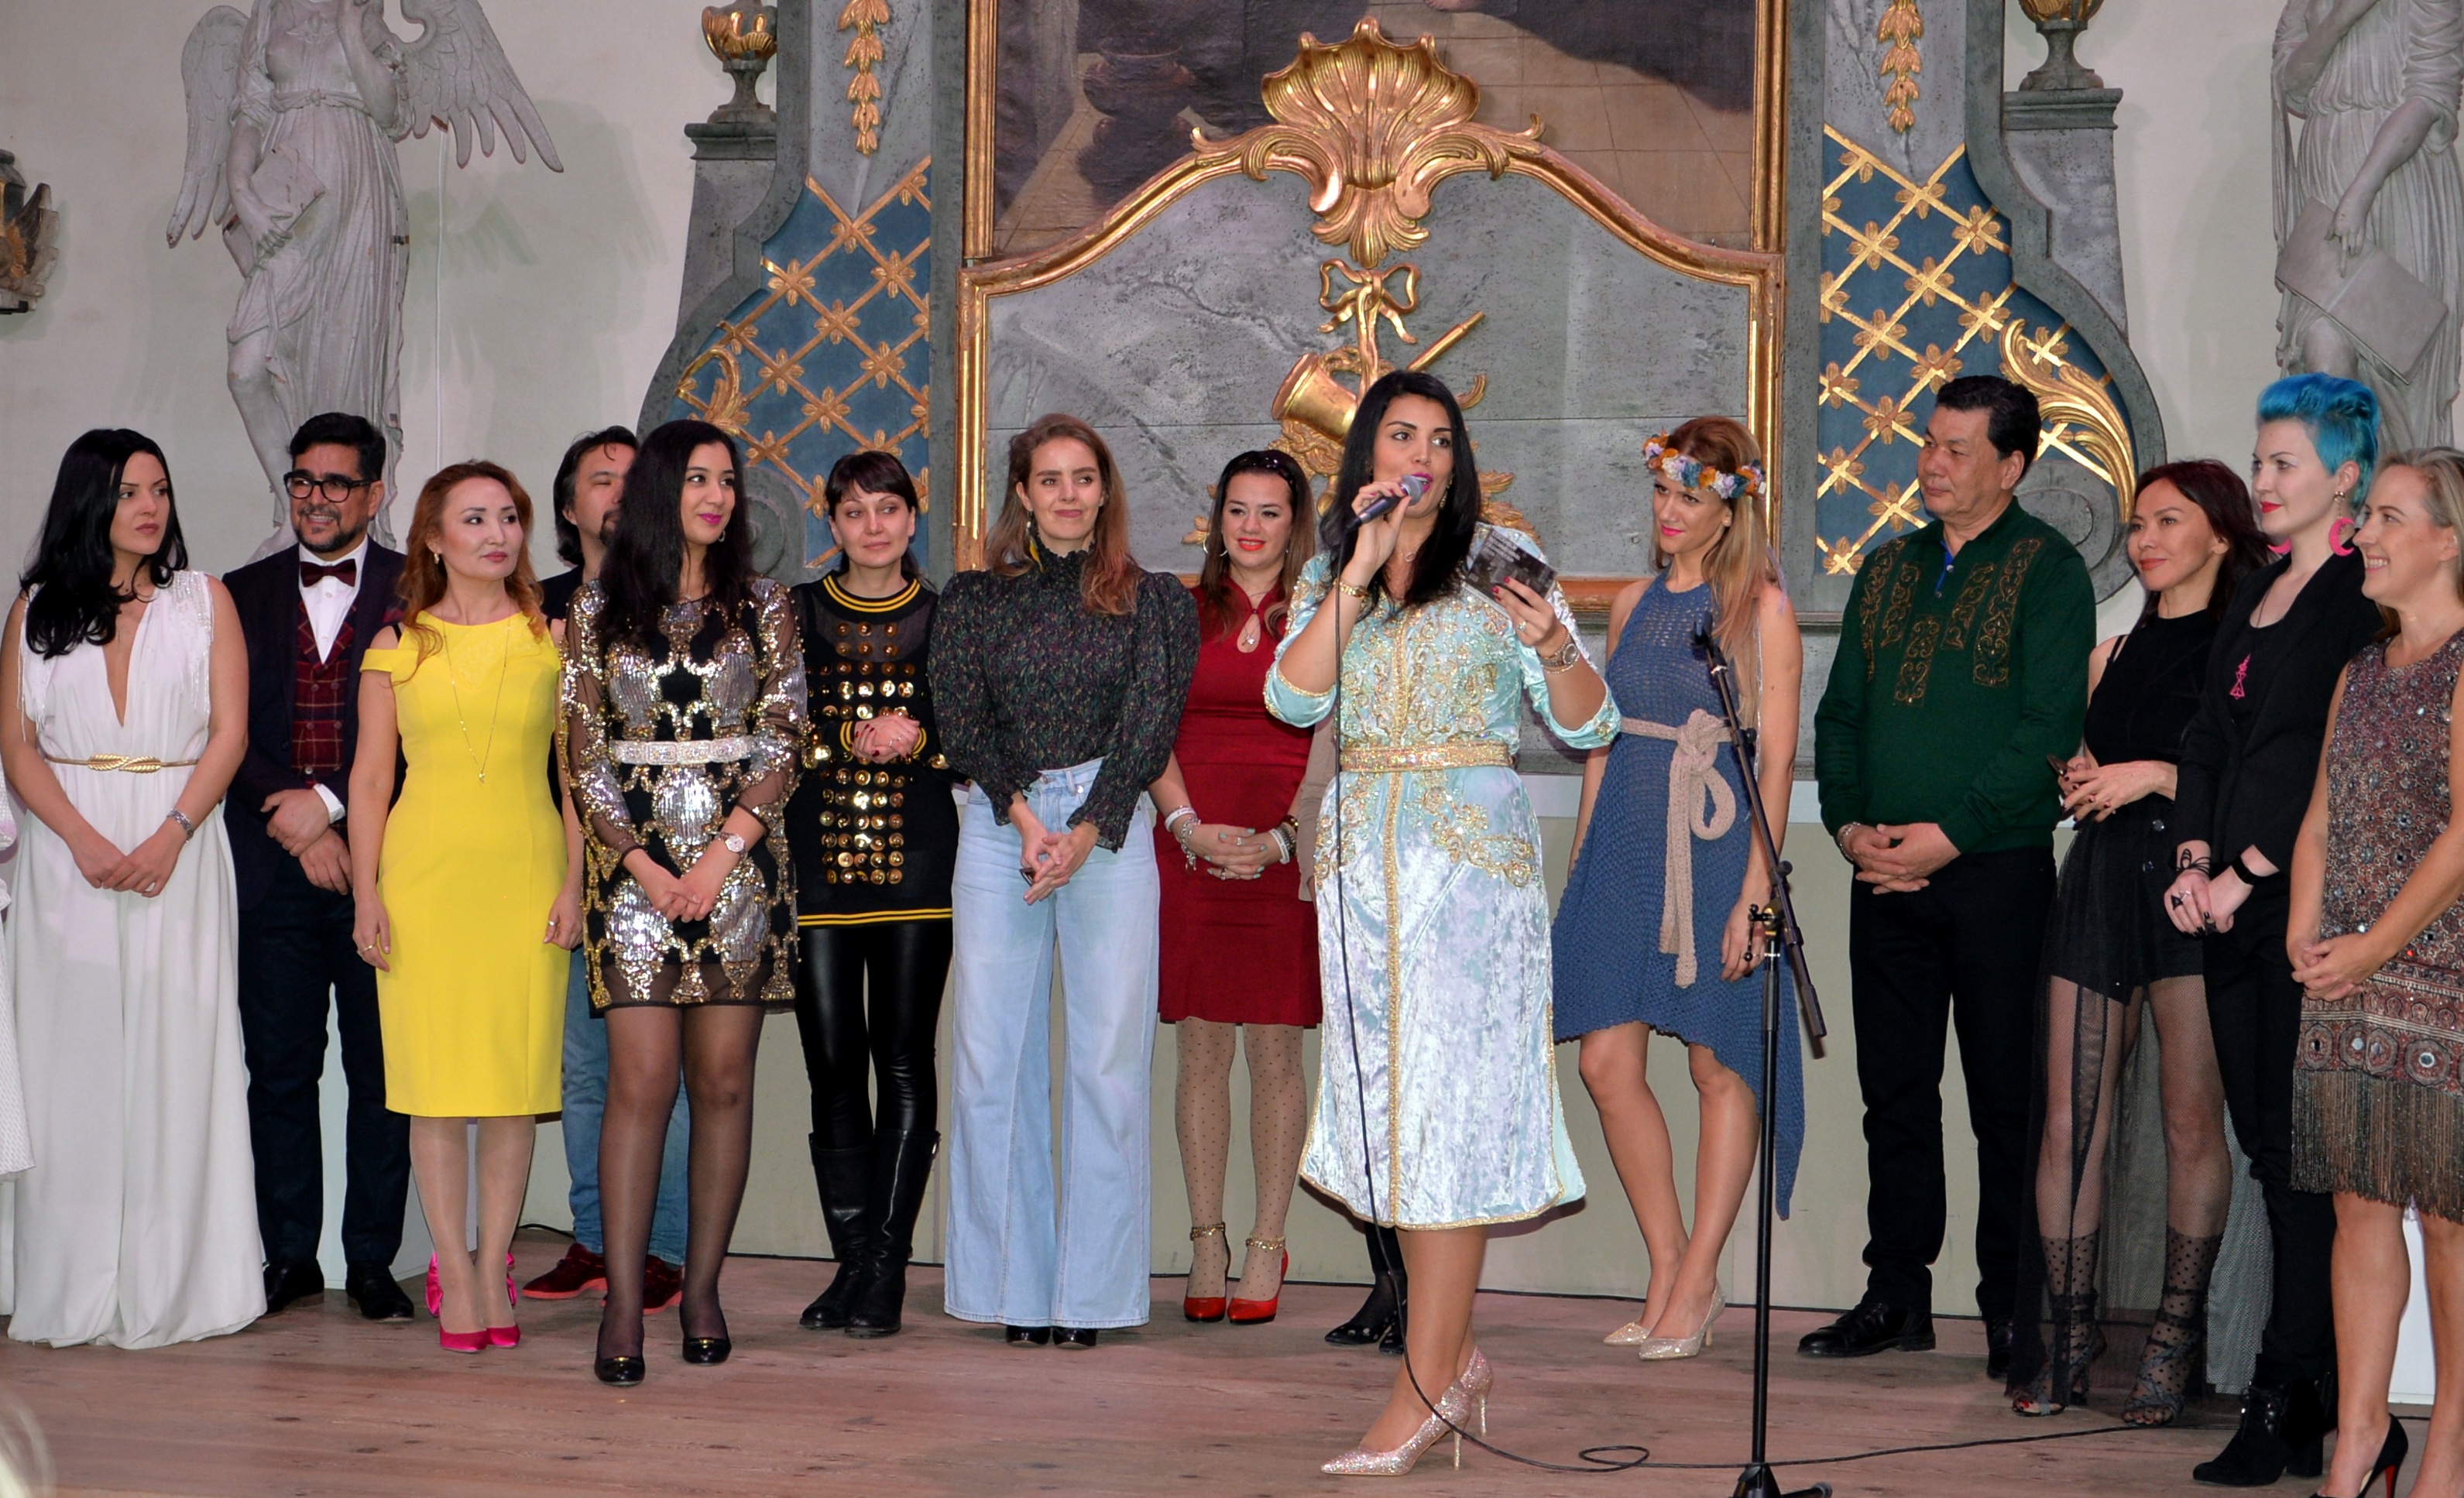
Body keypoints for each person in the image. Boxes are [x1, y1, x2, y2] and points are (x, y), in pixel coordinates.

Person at [1267, 369, 1618, 1474]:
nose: (1420, 455)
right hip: (1363, 873)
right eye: (1399, 435)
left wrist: (1553, 645)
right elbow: (1292, 697)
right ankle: (1452, 1362)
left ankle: (1420, 1386)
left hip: (1469, 879)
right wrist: (1354, 573)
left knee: (1450, 1117)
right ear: (1366, 455)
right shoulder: (1333, 569)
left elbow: (1591, 721)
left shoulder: (1501, 560)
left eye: (1439, 440)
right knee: (1394, 1123)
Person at [1810, 375, 2095, 1376]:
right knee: (1893, 1094)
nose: (1931, 463)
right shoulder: (1886, 566)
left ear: (2010, 466)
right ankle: (1896, 1294)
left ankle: (2010, 1308)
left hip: (1997, 875)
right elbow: (1839, 715)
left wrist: (1950, 835)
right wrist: (1850, 828)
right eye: (1928, 443)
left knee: (2004, 1103)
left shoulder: (2049, 569)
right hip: (1881, 872)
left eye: (1956, 449)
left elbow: (2047, 728)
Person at [2006, 461, 2270, 1421]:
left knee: (2190, 1122)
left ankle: (2172, 1337)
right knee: (2068, 1123)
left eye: (2167, 520)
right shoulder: (2107, 654)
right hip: (2102, 881)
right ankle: (2069, 1332)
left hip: (2192, 890)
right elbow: (2093, 771)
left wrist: (2153, 776)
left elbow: (2257, 786)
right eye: (2137, 523)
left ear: (2219, 534)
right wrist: (2085, 780)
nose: (2145, 539)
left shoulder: (2247, 653)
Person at [932, 413, 1199, 1350]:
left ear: (1104, 488)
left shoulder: (1154, 600)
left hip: (1107, 827)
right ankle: (1011, 1288)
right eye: (1049, 480)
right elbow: (960, 718)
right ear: (1022, 493)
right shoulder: (974, 598)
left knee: (1106, 1065)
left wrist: (1086, 829)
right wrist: (1024, 819)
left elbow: (1149, 725)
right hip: (998, 826)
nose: (1068, 495)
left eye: (1083, 477)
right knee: (990, 1061)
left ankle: (1092, 1299)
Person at [2165, 374, 2387, 1487]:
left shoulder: (2355, 594)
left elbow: (2327, 760)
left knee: (2304, 1164)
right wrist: (2190, 858)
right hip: (2224, 908)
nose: (2260, 479)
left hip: (2298, 912)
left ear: (2343, 476)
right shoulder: (2252, 587)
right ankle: (2309, 1398)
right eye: (2256, 460)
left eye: (2282, 462)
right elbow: (2209, 737)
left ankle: (2291, 1392)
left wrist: (2244, 873)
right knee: (2269, 1154)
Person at [1, 429, 262, 1347]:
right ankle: (69, 1281)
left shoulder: (205, 601)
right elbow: (17, 746)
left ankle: (177, 1282)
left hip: (178, 847)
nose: (150, 508)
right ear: (89, 502)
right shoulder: (35, 610)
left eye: (159, 490)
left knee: (178, 1055)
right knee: (69, 1063)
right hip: (63, 854)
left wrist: (170, 834)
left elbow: (230, 734)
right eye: (127, 493)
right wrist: (78, 838)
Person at [1553, 416, 1803, 1361]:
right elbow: (1598, 741)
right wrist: (1583, 859)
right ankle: (1663, 1264)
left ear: (1728, 508)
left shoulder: (1760, 609)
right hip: (1626, 838)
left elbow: (1773, 765)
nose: (1667, 511)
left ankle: (1698, 1279)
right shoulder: (1629, 603)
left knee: (1714, 1063)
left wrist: (1753, 896)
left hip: (1716, 844)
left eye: (1688, 497)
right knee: (1604, 1063)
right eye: (1660, 491)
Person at [564, 419, 805, 1386]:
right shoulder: (596, 608)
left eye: (727, 481)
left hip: (738, 869)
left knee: (725, 1086)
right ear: (661, 490)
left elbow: (783, 738)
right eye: (698, 478)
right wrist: (641, 863)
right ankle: (624, 1303)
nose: (716, 496)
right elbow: (582, 755)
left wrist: (718, 859)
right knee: (640, 1084)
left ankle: (701, 1289)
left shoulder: (766, 605)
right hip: (632, 877)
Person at [348, 461, 578, 1353]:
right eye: (474, 518)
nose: (497, 533)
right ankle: (450, 1264)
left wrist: (574, 883)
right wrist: (366, 893)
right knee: (435, 1092)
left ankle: (492, 1267)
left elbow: (575, 778)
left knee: (513, 1092)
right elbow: (371, 782)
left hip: (525, 879)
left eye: (508, 517)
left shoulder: (552, 640)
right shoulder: (395, 645)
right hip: (424, 884)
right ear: (434, 539)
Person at [2287, 446, 2464, 1498]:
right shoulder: (2359, 669)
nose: (2364, 533)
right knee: (2358, 1201)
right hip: (2345, 977)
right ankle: (2357, 1441)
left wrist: (2370, 946)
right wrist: (2305, 929)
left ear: (2448, 539)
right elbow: (2318, 814)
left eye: (2389, 516)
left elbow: (2461, 839)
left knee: (2448, 1215)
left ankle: (2447, 1449)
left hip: (2441, 978)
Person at [223, 411, 414, 1323]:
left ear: (374, 494)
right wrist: (300, 825)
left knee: (382, 1075)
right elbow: (221, 730)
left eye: (336, 483)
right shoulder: (239, 592)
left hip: (387, 875)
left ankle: (372, 1259)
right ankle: (289, 1256)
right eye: (303, 480)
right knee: (278, 1071)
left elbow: (424, 738)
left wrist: (334, 807)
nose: (315, 498)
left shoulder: (420, 591)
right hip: (270, 871)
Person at [786, 451, 959, 1339]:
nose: (873, 526)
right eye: (853, 512)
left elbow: (976, 730)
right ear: (832, 524)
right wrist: (848, 733)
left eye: (887, 509)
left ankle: (885, 1264)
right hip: (818, 866)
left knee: (902, 1060)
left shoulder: (947, 614)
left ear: (911, 517)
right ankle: (850, 1261)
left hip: (916, 866)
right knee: (830, 1066)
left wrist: (919, 738)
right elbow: (770, 726)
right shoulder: (794, 612)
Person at [520, 426, 691, 1318]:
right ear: (566, 506)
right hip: (550, 858)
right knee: (584, 1069)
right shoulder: (529, 608)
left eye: (634, 479)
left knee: (656, 1069)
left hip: (654, 860)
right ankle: (592, 1236)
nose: (619, 494)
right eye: (599, 479)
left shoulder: (675, 601)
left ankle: (660, 1249)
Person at [1148, 448, 1322, 1328]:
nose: (1251, 527)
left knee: (1277, 1052)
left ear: (1296, 524)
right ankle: (1207, 1239)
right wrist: (1187, 826)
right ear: (1217, 519)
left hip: (1287, 847)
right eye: (1237, 510)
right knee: (1203, 1047)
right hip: (1191, 844)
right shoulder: (1177, 612)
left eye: (1270, 511)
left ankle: (1266, 1240)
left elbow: (1339, 737)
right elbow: (1148, 730)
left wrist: (1283, 837)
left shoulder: (1324, 614)